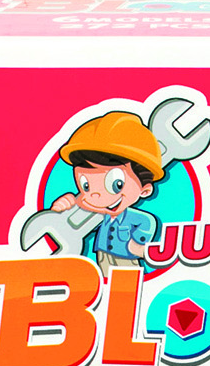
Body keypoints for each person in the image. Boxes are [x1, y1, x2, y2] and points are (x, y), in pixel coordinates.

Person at [49, 111, 164, 274]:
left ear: (145, 190)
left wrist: (140, 247)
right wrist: (66, 208)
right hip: (102, 256)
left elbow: (145, 236)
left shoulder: (140, 219)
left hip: (125, 259)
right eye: (86, 185)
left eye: (116, 184)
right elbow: (82, 223)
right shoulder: (97, 216)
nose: (95, 195)